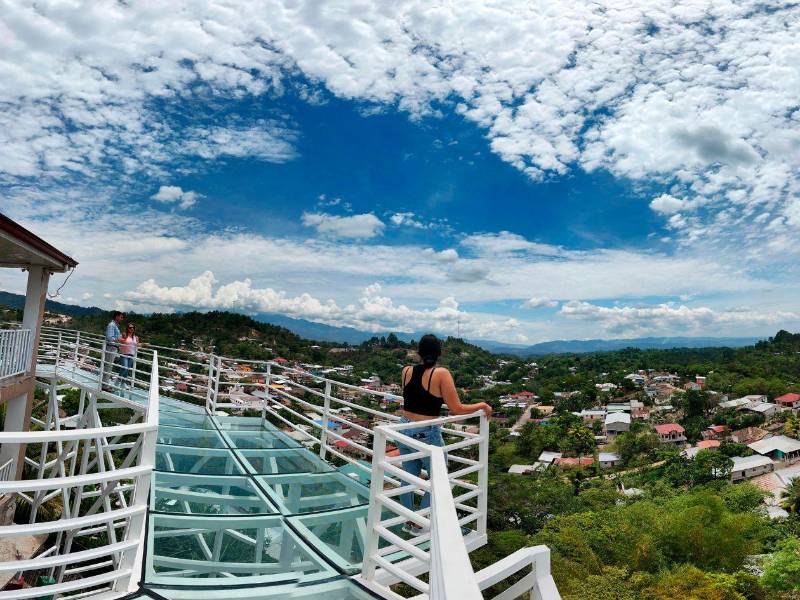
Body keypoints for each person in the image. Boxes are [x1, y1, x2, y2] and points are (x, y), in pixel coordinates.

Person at [398, 334, 492, 533]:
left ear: (419, 352)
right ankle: (419, 521)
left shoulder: (406, 371)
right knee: (440, 479)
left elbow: (411, 399)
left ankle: (409, 520)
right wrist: (482, 405)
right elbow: (456, 408)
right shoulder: (440, 373)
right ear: (439, 353)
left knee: (408, 477)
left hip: (404, 428)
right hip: (425, 432)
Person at [102, 311, 124, 390]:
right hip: (111, 348)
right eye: (121, 317)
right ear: (116, 317)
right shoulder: (112, 325)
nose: (122, 319)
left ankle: (105, 384)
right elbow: (109, 338)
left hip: (113, 348)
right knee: (108, 366)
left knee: (109, 366)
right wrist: (119, 340)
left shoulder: (115, 326)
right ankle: (104, 385)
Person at [118, 322, 139, 387]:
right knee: (125, 367)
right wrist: (123, 340)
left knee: (127, 369)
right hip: (124, 354)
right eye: (130, 327)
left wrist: (144, 345)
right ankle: (118, 380)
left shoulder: (136, 337)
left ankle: (123, 383)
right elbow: (119, 340)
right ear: (127, 328)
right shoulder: (124, 334)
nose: (132, 329)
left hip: (131, 354)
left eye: (133, 328)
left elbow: (137, 345)